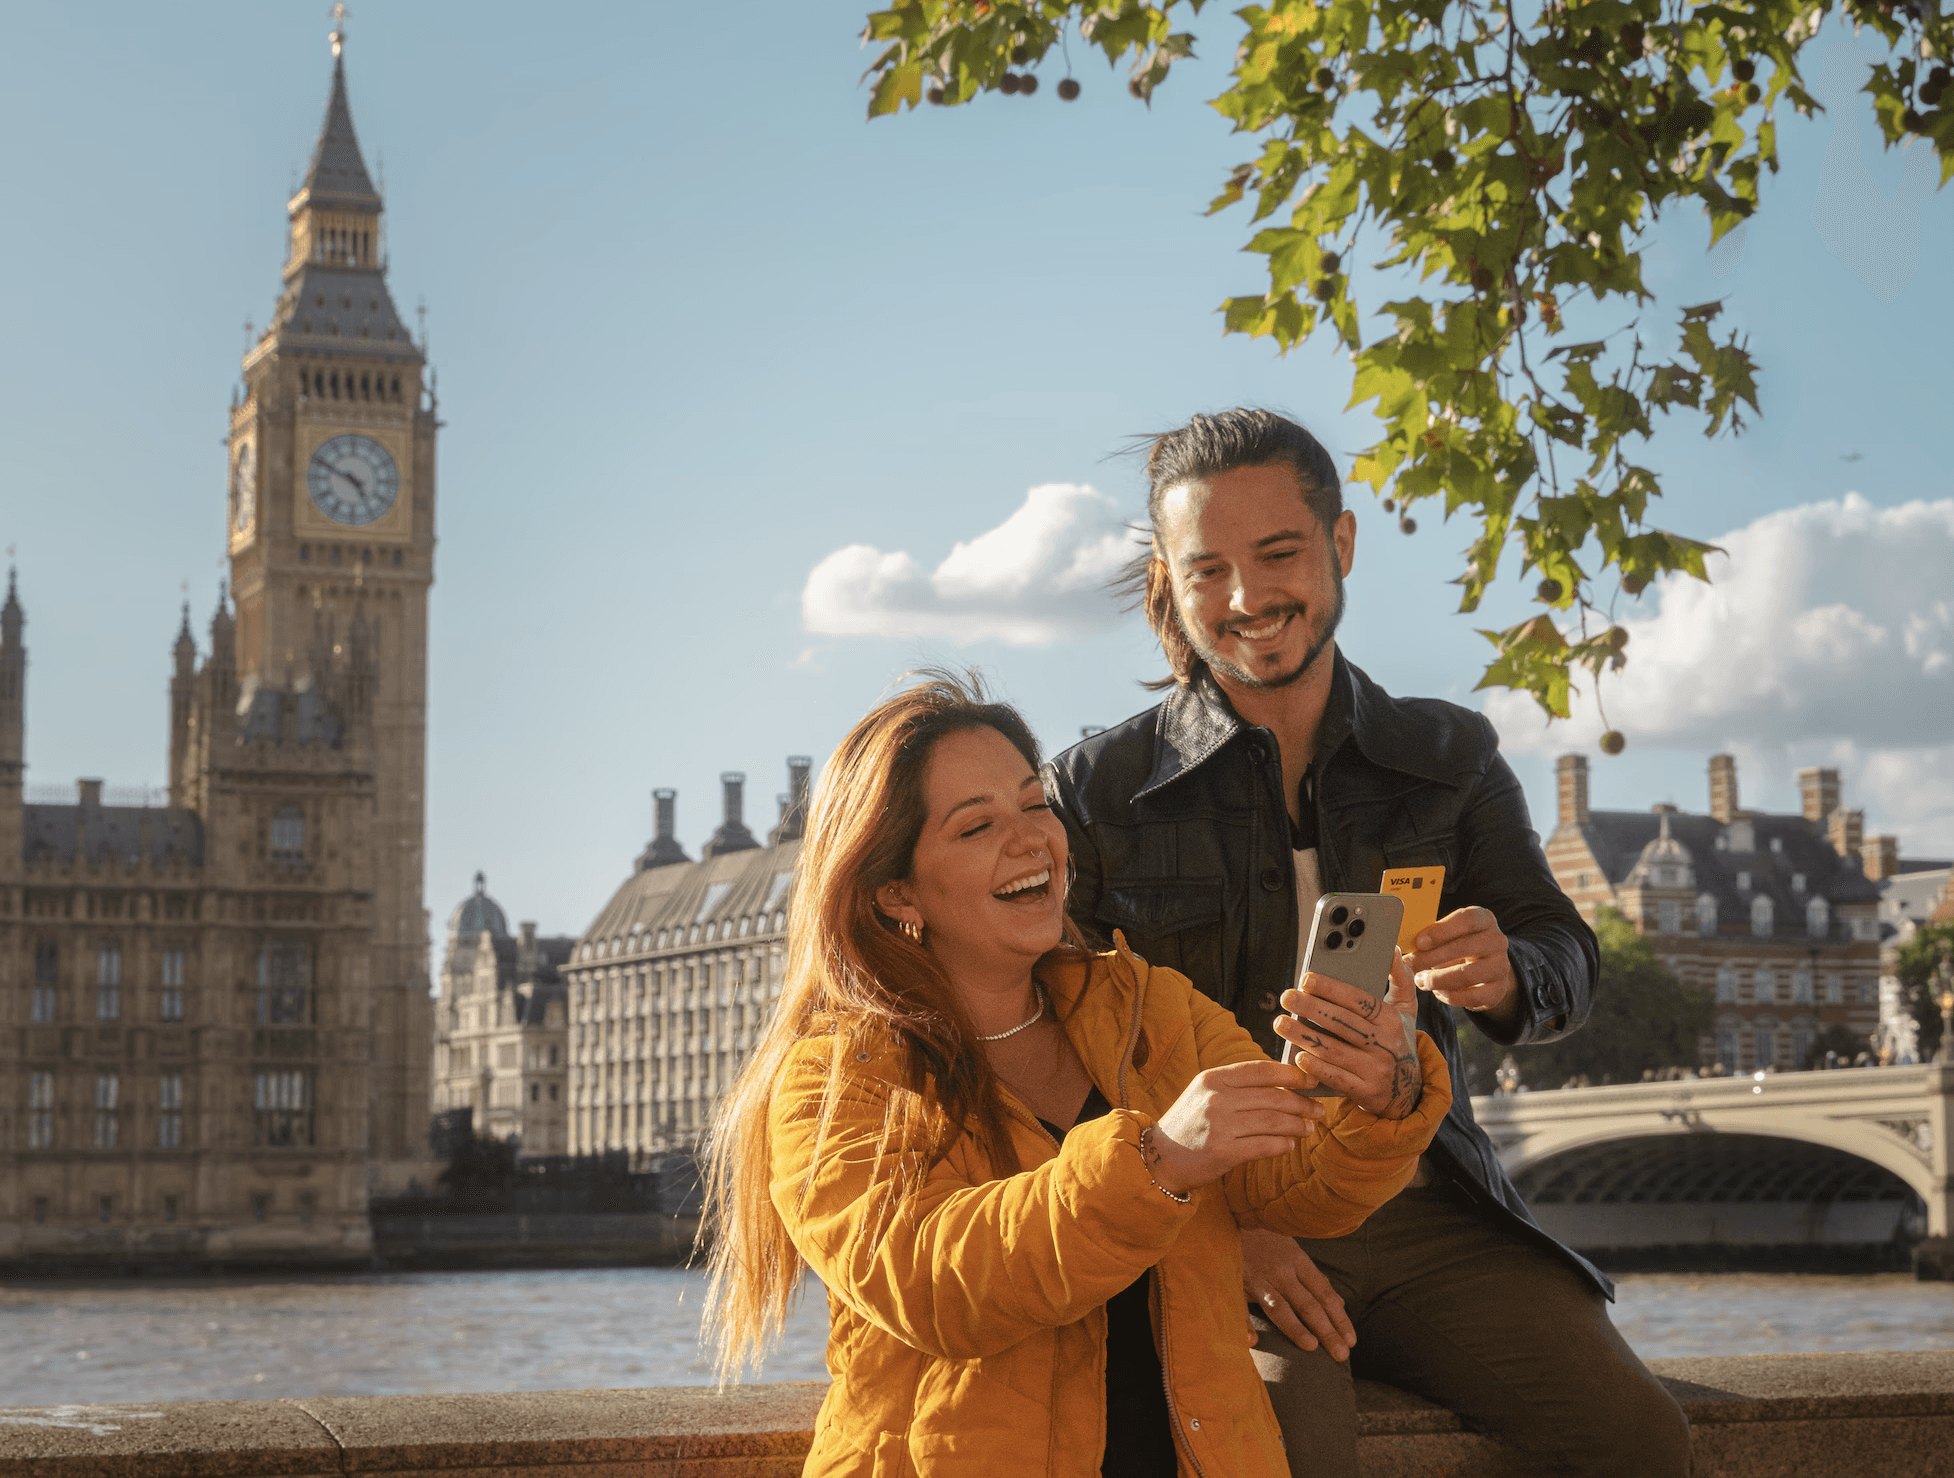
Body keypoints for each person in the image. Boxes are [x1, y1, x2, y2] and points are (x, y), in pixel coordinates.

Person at [1043, 410, 1691, 1476]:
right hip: (1224, 1216)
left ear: (1341, 543)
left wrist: (1508, 973)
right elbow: (1055, 1049)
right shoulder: (1093, 790)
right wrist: (1207, 1229)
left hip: (1432, 1211)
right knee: (1283, 1452)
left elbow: (1565, 956)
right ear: (1170, 579)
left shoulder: (1450, 753)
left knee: (1640, 1443)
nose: (1247, 598)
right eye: (1208, 569)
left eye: (1278, 554)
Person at [702, 673, 1453, 1477]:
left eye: (1035, 805)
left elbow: (1298, 1183)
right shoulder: (835, 1079)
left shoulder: (1148, 1005)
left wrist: (1382, 1097)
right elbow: (936, 1286)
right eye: (977, 826)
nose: (1031, 840)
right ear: (896, 894)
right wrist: (1156, 1163)